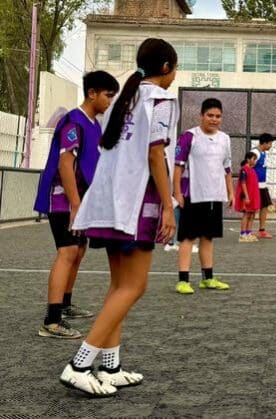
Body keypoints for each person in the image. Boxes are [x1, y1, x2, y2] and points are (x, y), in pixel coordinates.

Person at [64, 38, 178, 396]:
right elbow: (155, 154)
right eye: (175, 68)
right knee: (134, 286)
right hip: (136, 201)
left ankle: (110, 366)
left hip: (110, 200)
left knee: (118, 287)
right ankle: (79, 363)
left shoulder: (122, 101)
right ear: (166, 68)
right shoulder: (159, 99)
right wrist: (169, 205)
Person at [34, 70, 119, 339]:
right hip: (62, 198)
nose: (109, 101)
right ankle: (52, 320)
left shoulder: (95, 124)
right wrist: (75, 204)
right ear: (92, 93)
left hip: (81, 199)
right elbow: (65, 164)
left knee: (79, 250)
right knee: (67, 252)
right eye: (108, 95)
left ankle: (66, 304)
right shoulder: (73, 121)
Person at [173, 98, 234, 294]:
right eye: (210, 115)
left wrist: (230, 191)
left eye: (218, 116)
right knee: (188, 238)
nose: (214, 119)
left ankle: (208, 278)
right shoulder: (189, 136)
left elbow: (227, 168)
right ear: (201, 115)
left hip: (214, 195)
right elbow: (177, 167)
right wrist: (177, 193)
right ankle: (183, 280)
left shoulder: (225, 138)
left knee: (208, 237)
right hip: (193, 194)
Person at [252, 133, 275, 239]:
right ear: (265, 143)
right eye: (270, 144)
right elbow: (247, 167)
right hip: (255, 185)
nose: (271, 146)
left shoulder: (264, 153)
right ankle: (247, 231)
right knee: (252, 209)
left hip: (262, 185)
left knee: (265, 207)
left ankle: (262, 230)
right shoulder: (255, 152)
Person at [234, 151, 260, 242]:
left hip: (253, 196)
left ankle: (248, 233)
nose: (255, 161)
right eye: (253, 159)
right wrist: (246, 196)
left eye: (255, 159)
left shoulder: (253, 170)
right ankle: (242, 234)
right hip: (247, 196)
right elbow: (243, 183)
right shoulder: (244, 170)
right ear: (248, 159)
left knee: (252, 214)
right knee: (246, 214)